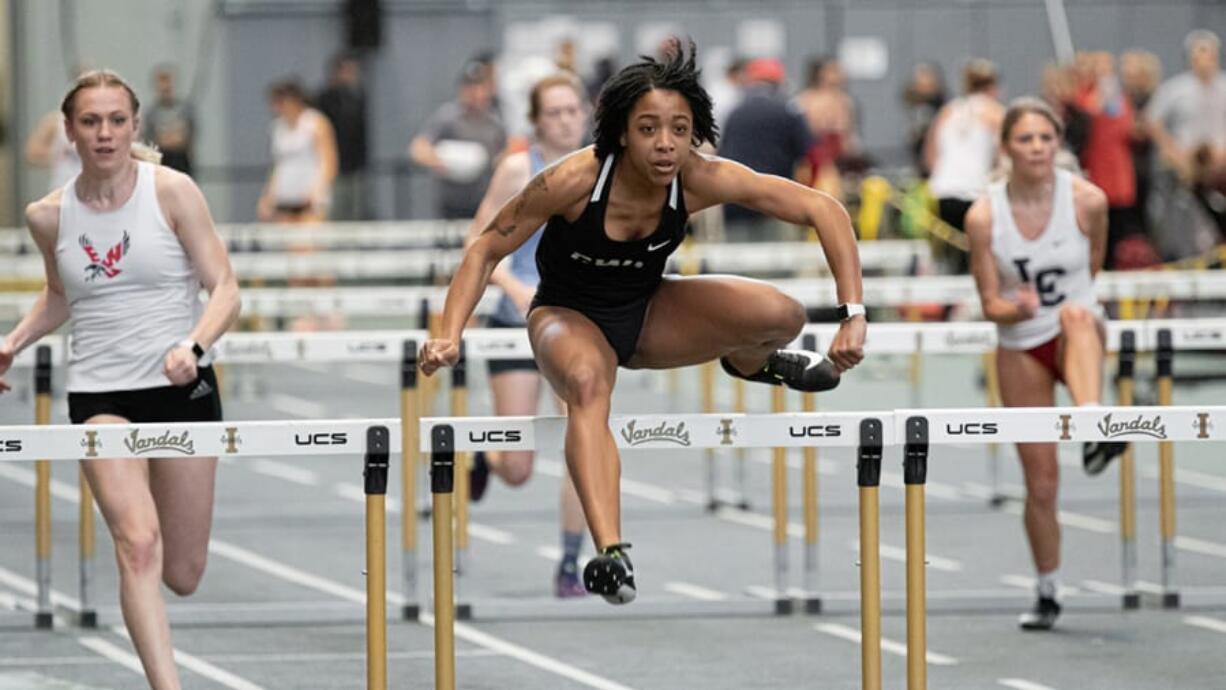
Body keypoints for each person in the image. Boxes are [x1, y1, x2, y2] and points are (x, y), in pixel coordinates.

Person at [419, 41, 866, 605]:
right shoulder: (575, 180)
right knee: (587, 387)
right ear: (622, 132)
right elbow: (485, 248)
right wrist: (450, 332)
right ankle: (610, 552)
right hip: (567, 313)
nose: (665, 144)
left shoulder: (698, 178)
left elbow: (823, 208)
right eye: (650, 128)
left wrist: (853, 313)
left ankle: (752, 362)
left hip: (647, 309)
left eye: (679, 130)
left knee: (785, 314)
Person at [0, 69, 240, 689]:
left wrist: (195, 342)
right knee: (136, 542)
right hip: (102, 396)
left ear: (134, 127)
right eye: (89, 122)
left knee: (182, 572)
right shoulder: (48, 216)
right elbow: (60, 297)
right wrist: (12, 343)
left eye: (114, 121)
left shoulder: (173, 193)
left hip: (182, 386)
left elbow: (226, 289)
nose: (103, 134)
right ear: (70, 132)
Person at [965, 97, 1126, 632]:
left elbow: (1095, 265)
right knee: (1042, 483)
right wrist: (1017, 307)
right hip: (1021, 341)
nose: (1036, 149)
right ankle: (1047, 589)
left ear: (1059, 145)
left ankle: (1093, 421)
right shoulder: (984, 215)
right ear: (1006, 148)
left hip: (1078, 331)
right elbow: (989, 305)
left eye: (1045, 139)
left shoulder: (1088, 201)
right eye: (1025, 139)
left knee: (1079, 315)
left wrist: (1058, 308)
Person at [464, 73, 591, 597]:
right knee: (518, 467)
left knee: (584, 443)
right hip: (518, 322)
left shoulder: (604, 168)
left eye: (572, 110)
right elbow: (479, 242)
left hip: (580, 324)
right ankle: (486, 458)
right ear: (536, 121)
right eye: (554, 112)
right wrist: (514, 289)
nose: (565, 119)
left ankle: (570, 564)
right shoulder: (518, 168)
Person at [718, 58, 814, 242]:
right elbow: (808, 153)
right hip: (774, 201)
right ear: (778, 82)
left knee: (736, 263)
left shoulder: (735, 112)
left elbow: (722, 153)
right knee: (777, 263)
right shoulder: (788, 110)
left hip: (735, 200)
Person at [925, 58, 1004, 272]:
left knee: (950, 256)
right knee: (977, 254)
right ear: (993, 86)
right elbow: (1004, 157)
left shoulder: (949, 111)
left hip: (943, 189)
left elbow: (931, 153)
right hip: (974, 191)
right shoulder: (995, 113)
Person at [409, 59, 507, 220]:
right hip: (452, 203)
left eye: (480, 86)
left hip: (485, 201)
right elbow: (418, 147)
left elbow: (505, 152)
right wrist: (440, 161)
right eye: (470, 87)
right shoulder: (448, 117)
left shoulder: (495, 122)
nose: (475, 93)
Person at [257, 78, 338, 224]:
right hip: (286, 196)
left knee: (307, 242)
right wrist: (268, 196)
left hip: (310, 197)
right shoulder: (277, 128)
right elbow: (278, 166)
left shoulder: (315, 123)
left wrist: (317, 190)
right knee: (289, 243)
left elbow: (329, 161)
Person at [315, 53, 370, 221]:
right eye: (348, 71)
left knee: (356, 209)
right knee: (336, 209)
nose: (352, 76)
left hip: (355, 164)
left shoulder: (357, 97)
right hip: (334, 164)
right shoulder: (324, 99)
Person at [141, 65, 195, 176]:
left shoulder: (185, 110)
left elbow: (189, 137)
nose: (165, 87)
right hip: (161, 162)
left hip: (182, 162)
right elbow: (151, 141)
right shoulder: (151, 113)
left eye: (167, 82)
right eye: (161, 82)